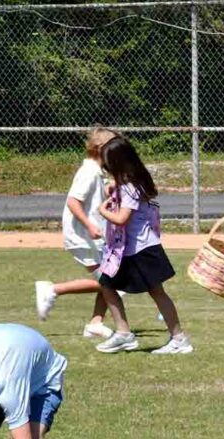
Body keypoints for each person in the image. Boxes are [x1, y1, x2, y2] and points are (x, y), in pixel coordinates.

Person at [95, 135, 193, 355]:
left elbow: (121, 219)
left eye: (108, 165)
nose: (106, 169)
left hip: (140, 250)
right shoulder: (131, 183)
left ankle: (178, 339)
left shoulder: (130, 188)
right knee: (107, 285)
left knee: (154, 291)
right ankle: (124, 334)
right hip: (129, 249)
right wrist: (112, 188)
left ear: (118, 164)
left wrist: (102, 210)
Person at [35, 126, 117, 335]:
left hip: (93, 236)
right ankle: (52, 290)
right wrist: (90, 225)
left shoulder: (97, 173)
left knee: (111, 280)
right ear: (102, 149)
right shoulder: (89, 173)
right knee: (109, 281)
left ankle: (95, 324)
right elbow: (73, 202)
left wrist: (108, 190)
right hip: (83, 237)